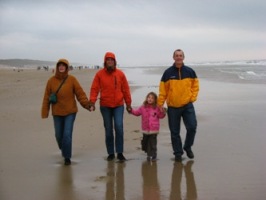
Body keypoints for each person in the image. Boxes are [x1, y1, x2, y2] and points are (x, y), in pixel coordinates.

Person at [41, 58, 90, 165]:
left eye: (64, 65)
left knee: (67, 135)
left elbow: (80, 94)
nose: (62, 67)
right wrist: (45, 112)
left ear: (67, 68)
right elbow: (46, 97)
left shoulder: (72, 79)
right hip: (57, 112)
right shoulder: (51, 81)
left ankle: (67, 157)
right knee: (59, 135)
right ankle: (64, 148)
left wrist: (87, 105)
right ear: (57, 67)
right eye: (60, 65)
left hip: (70, 111)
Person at [88, 52, 132, 161]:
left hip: (118, 105)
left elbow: (126, 89)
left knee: (119, 127)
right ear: (105, 62)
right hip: (105, 105)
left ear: (115, 62)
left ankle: (120, 152)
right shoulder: (99, 74)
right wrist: (92, 102)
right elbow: (94, 89)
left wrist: (128, 104)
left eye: (112, 60)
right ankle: (111, 153)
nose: (110, 61)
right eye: (108, 60)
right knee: (108, 130)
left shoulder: (120, 74)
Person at [158, 49, 199, 162]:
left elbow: (195, 86)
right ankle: (178, 153)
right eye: (177, 55)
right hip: (173, 107)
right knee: (174, 132)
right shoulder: (167, 73)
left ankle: (187, 146)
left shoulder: (190, 71)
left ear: (183, 57)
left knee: (192, 127)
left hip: (187, 105)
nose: (179, 57)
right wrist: (160, 104)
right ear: (173, 57)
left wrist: (192, 97)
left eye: (180, 55)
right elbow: (163, 91)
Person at [129, 92, 166, 161]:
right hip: (145, 129)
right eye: (149, 97)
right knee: (145, 142)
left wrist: (163, 112)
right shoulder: (143, 107)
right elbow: (137, 113)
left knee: (152, 143)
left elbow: (161, 116)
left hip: (154, 129)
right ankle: (147, 151)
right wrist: (131, 110)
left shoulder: (157, 107)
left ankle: (153, 155)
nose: (150, 99)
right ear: (146, 98)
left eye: (152, 98)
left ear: (155, 100)